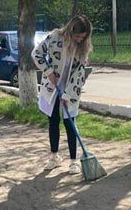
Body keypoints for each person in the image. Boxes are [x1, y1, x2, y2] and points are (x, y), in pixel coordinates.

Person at [32, 14, 93, 175]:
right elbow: (36, 53)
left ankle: (74, 161)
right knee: (53, 120)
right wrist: (48, 71)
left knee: (70, 123)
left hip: (71, 89)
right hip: (52, 86)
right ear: (70, 31)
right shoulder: (54, 38)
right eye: (77, 36)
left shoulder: (82, 48)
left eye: (83, 37)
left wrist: (67, 95)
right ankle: (54, 156)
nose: (80, 40)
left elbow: (79, 74)